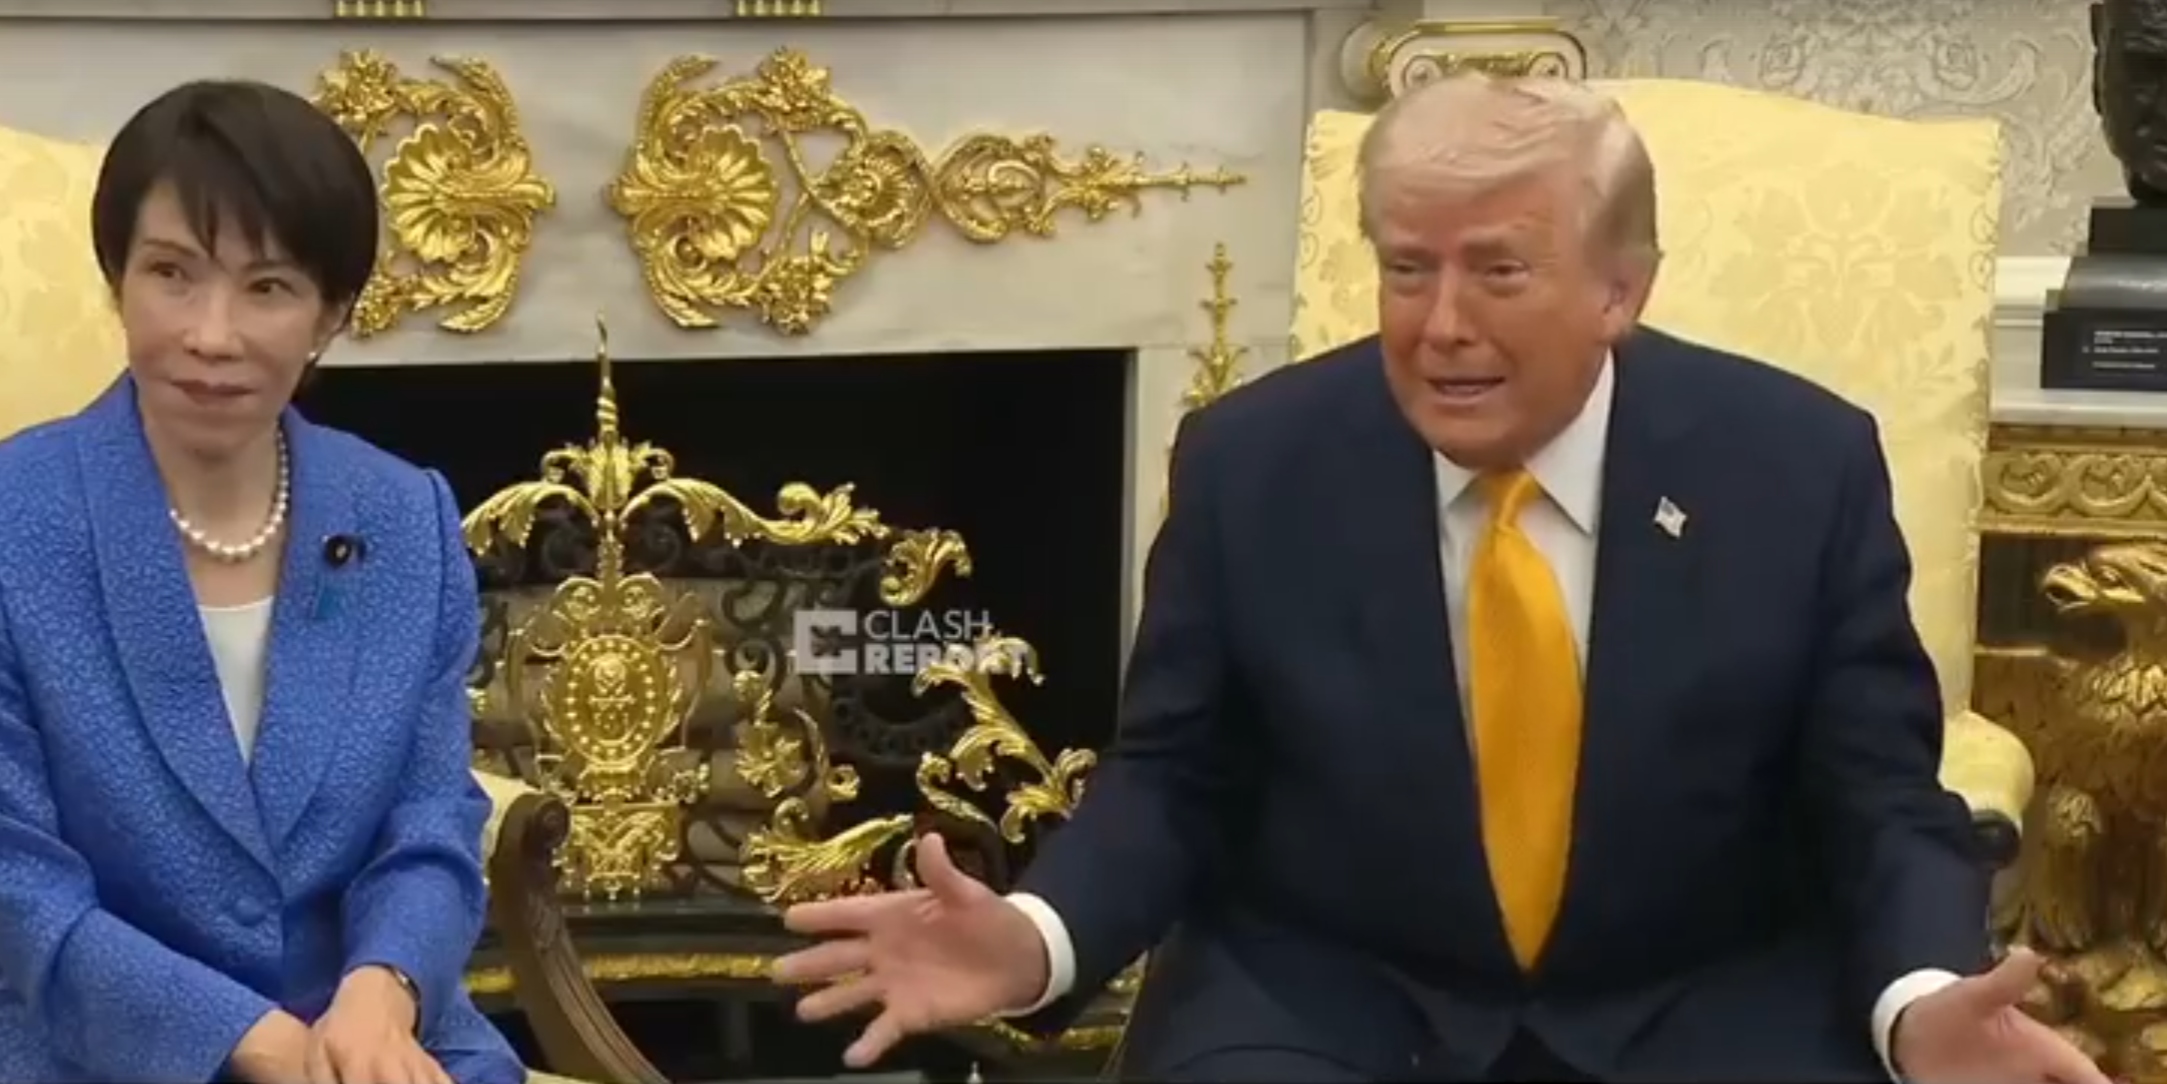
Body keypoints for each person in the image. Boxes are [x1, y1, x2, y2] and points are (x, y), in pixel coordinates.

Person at [770, 74, 2109, 1083]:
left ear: (1620, 291)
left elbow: (1878, 800)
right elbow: (1175, 774)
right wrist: (1038, 934)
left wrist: (1918, 1002)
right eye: (1407, 271)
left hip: (1701, 994)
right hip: (1329, 995)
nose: (1441, 325)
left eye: (1498, 272)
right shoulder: (1253, 463)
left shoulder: (1795, 467)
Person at [0, 80, 524, 1084]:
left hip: (366, 1041)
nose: (211, 335)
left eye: (267, 287)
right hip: (79, 1047)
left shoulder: (405, 517)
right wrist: (268, 1047)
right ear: (117, 280)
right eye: (171, 274)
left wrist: (384, 992)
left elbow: (430, 821)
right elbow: (20, 884)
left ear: (331, 315)